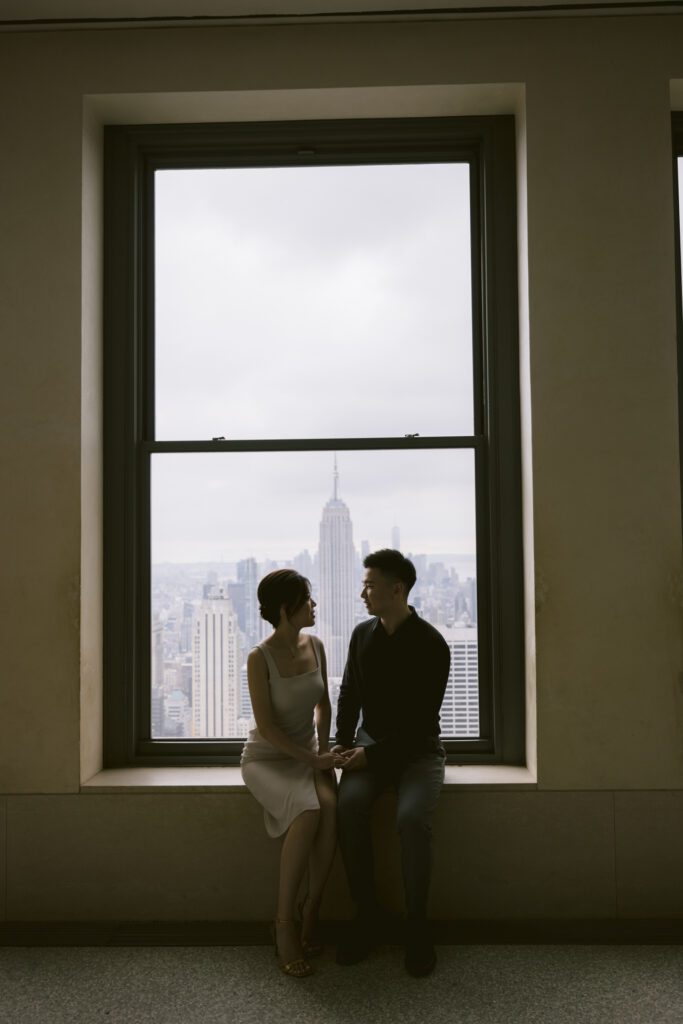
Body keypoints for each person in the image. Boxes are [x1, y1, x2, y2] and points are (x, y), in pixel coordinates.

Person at [332, 549, 450, 977]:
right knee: (348, 806)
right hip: (369, 748)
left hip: (418, 752)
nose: (363, 592)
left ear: (397, 589)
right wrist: (343, 748)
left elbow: (421, 726)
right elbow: (349, 696)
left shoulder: (431, 644)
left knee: (413, 818)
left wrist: (369, 755)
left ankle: (417, 926)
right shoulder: (362, 635)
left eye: (370, 585)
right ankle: (367, 917)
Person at [241, 569, 343, 978]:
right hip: (266, 759)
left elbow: (324, 705)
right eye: (307, 601)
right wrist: (312, 760)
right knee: (308, 813)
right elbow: (266, 729)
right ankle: (284, 924)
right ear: (286, 609)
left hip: (308, 755)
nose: (314, 606)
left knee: (332, 809)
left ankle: (311, 908)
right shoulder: (258, 657)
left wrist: (321, 751)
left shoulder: (315, 645)